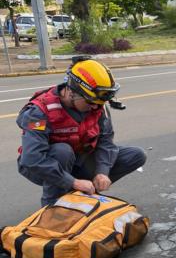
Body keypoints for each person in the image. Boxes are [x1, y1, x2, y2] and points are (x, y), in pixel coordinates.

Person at [16, 57, 146, 206]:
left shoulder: (97, 106)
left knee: (136, 155)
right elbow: (32, 158)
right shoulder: (39, 112)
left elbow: (106, 142)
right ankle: (53, 205)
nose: (95, 108)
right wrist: (73, 182)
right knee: (62, 151)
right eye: (91, 103)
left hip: (79, 159)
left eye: (99, 104)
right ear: (71, 91)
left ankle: (84, 193)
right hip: (44, 165)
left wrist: (102, 172)